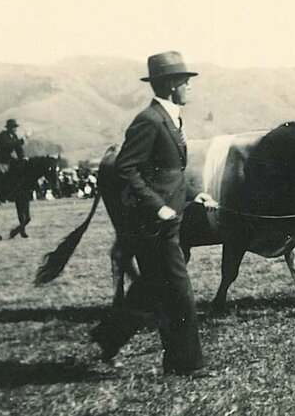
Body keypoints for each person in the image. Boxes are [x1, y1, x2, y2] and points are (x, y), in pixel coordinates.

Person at [89, 51, 217, 377]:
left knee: (152, 287)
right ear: (172, 85)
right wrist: (157, 206)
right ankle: (187, 364)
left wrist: (194, 195)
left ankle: (109, 335)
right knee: (179, 290)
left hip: (170, 219)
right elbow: (126, 168)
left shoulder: (170, 118)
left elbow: (168, 172)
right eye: (185, 81)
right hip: (154, 223)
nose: (190, 87)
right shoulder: (149, 120)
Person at [0, 118, 26, 203]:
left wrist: (23, 157)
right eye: (13, 127)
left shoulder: (14, 136)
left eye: (15, 127)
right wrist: (22, 141)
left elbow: (18, 149)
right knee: (0, 174)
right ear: (9, 128)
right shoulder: (2, 136)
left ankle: (12, 193)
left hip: (7, 160)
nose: (15, 129)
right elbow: (9, 146)